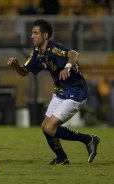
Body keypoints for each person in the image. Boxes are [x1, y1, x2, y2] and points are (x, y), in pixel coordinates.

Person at [7, 19, 100, 165]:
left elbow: (74, 54)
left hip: (76, 92)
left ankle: (88, 139)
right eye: (32, 33)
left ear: (45, 36)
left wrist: (67, 67)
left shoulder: (54, 48)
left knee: (51, 127)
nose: (32, 36)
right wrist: (16, 65)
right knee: (45, 127)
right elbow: (25, 72)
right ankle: (62, 158)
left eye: (35, 33)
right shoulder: (37, 53)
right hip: (61, 92)